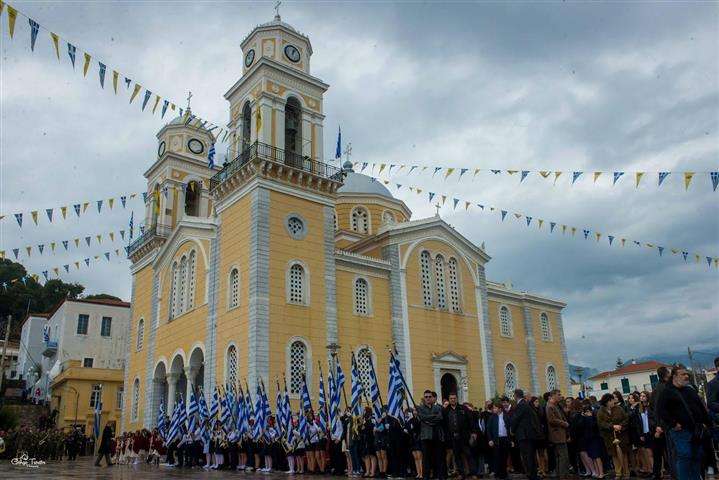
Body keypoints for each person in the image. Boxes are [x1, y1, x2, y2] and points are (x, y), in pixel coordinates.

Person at [656, 364, 711, 480]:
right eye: (683, 374)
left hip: (695, 429)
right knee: (685, 455)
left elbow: (700, 407)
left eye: (687, 374)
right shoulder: (667, 392)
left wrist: (706, 423)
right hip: (680, 431)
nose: (686, 376)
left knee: (696, 455)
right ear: (674, 376)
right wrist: (673, 424)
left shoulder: (689, 390)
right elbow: (660, 410)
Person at [597, 393, 630, 479]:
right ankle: (618, 473)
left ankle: (626, 472)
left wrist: (620, 426)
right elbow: (601, 424)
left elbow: (626, 419)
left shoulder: (619, 408)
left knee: (624, 454)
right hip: (609, 437)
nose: (613, 402)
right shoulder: (600, 411)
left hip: (621, 435)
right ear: (607, 402)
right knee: (614, 455)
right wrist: (612, 426)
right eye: (611, 400)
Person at [510, 389, 541, 480]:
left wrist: (512, 430)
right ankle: (531, 474)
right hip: (527, 434)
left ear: (515, 395)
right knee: (529, 455)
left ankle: (532, 475)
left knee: (528, 456)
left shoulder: (521, 404)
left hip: (525, 435)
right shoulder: (524, 404)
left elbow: (516, 419)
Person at [443, 392, 472, 479]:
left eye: (454, 398)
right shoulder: (445, 410)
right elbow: (444, 424)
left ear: (456, 399)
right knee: (457, 456)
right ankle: (461, 473)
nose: (452, 400)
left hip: (463, 436)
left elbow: (470, 420)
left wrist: (472, 432)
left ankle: (472, 472)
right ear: (449, 399)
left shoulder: (463, 408)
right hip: (452, 437)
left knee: (468, 454)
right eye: (451, 398)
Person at [417, 390, 445, 480]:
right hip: (426, 436)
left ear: (432, 397)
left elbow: (440, 417)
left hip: (437, 434)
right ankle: (426, 476)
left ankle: (439, 475)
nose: (428, 398)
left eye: (429, 396)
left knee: (438, 457)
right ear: (424, 398)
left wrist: (428, 418)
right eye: (426, 397)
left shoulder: (438, 408)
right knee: (426, 458)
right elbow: (422, 417)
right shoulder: (420, 408)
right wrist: (433, 417)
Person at [488, 401, 512, 480]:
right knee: (497, 456)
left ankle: (504, 473)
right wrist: (490, 439)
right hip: (496, 439)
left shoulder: (506, 416)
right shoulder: (492, 417)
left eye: (495, 408)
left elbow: (510, 428)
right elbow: (489, 429)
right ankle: (497, 473)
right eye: (493, 408)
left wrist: (511, 440)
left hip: (505, 439)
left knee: (504, 456)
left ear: (500, 409)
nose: (493, 409)